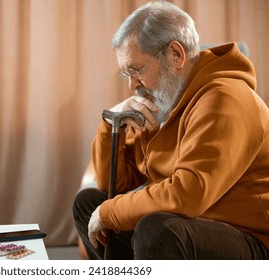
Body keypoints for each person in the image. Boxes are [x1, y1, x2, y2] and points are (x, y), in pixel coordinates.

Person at [72, 1, 269, 260]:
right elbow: (116, 185)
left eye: (137, 70)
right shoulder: (165, 100)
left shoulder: (225, 97)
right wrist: (111, 125)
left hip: (249, 238)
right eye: (126, 74)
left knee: (155, 229)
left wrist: (110, 212)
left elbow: (188, 194)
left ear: (176, 55)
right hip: (192, 222)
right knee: (89, 203)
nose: (132, 85)